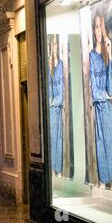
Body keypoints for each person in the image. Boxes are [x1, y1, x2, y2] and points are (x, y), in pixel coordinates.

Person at [89, 12, 112, 186]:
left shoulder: (106, 55)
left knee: (111, 146)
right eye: (96, 26)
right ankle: (102, 189)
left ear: (104, 29)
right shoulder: (91, 55)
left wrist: (110, 54)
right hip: (98, 110)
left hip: (107, 109)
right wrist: (104, 96)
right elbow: (95, 90)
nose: (98, 30)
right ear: (93, 30)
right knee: (101, 149)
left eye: (100, 26)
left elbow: (110, 88)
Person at [48, 35, 64, 176]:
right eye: (52, 45)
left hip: (60, 109)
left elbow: (63, 90)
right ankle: (53, 170)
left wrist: (56, 102)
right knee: (53, 140)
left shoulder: (61, 65)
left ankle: (59, 170)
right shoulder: (50, 68)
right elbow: (49, 91)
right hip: (53, 110)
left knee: (59, 140)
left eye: (55, 45)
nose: (54, 48)